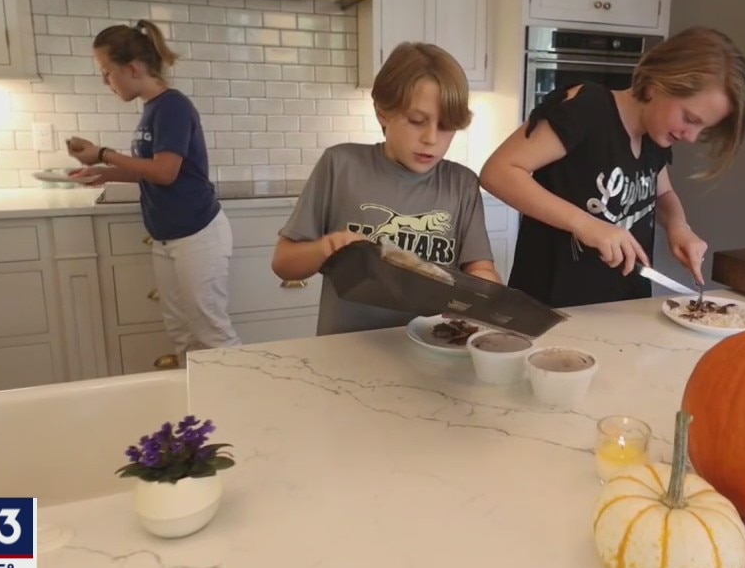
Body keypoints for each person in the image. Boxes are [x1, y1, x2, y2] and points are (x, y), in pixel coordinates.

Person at [479, 26, 745, 309]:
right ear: (659, 84)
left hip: (624, 304)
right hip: (555, 305)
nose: (691, 137)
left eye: (702, 128)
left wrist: (678, 226)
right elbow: (498, 172)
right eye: (690, 118)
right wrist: (584, 223)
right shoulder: (588, 107)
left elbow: (663, 193)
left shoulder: (655, 135)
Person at [272, 42, 501, 336]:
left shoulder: (462, 184)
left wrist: (486, 292)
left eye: (446, 126)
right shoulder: (341, 165)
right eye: (417, 121)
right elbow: (284, 263)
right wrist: (325, 248)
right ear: (383, 112)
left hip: (432, 349)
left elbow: (480, 270)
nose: (431, 138)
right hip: (346, 348)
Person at [67, 19, 241, 355]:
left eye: (106, 72)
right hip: (169, 237)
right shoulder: (153, 110)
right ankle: (195, 407)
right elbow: (152, 170)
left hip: (197, 235)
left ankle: (235, 406)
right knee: (181, 333)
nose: (106, 81)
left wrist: (104, 153)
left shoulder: (173, 106)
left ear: (132, 69)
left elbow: (165, 172)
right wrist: (104, 173)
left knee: (212, 333)